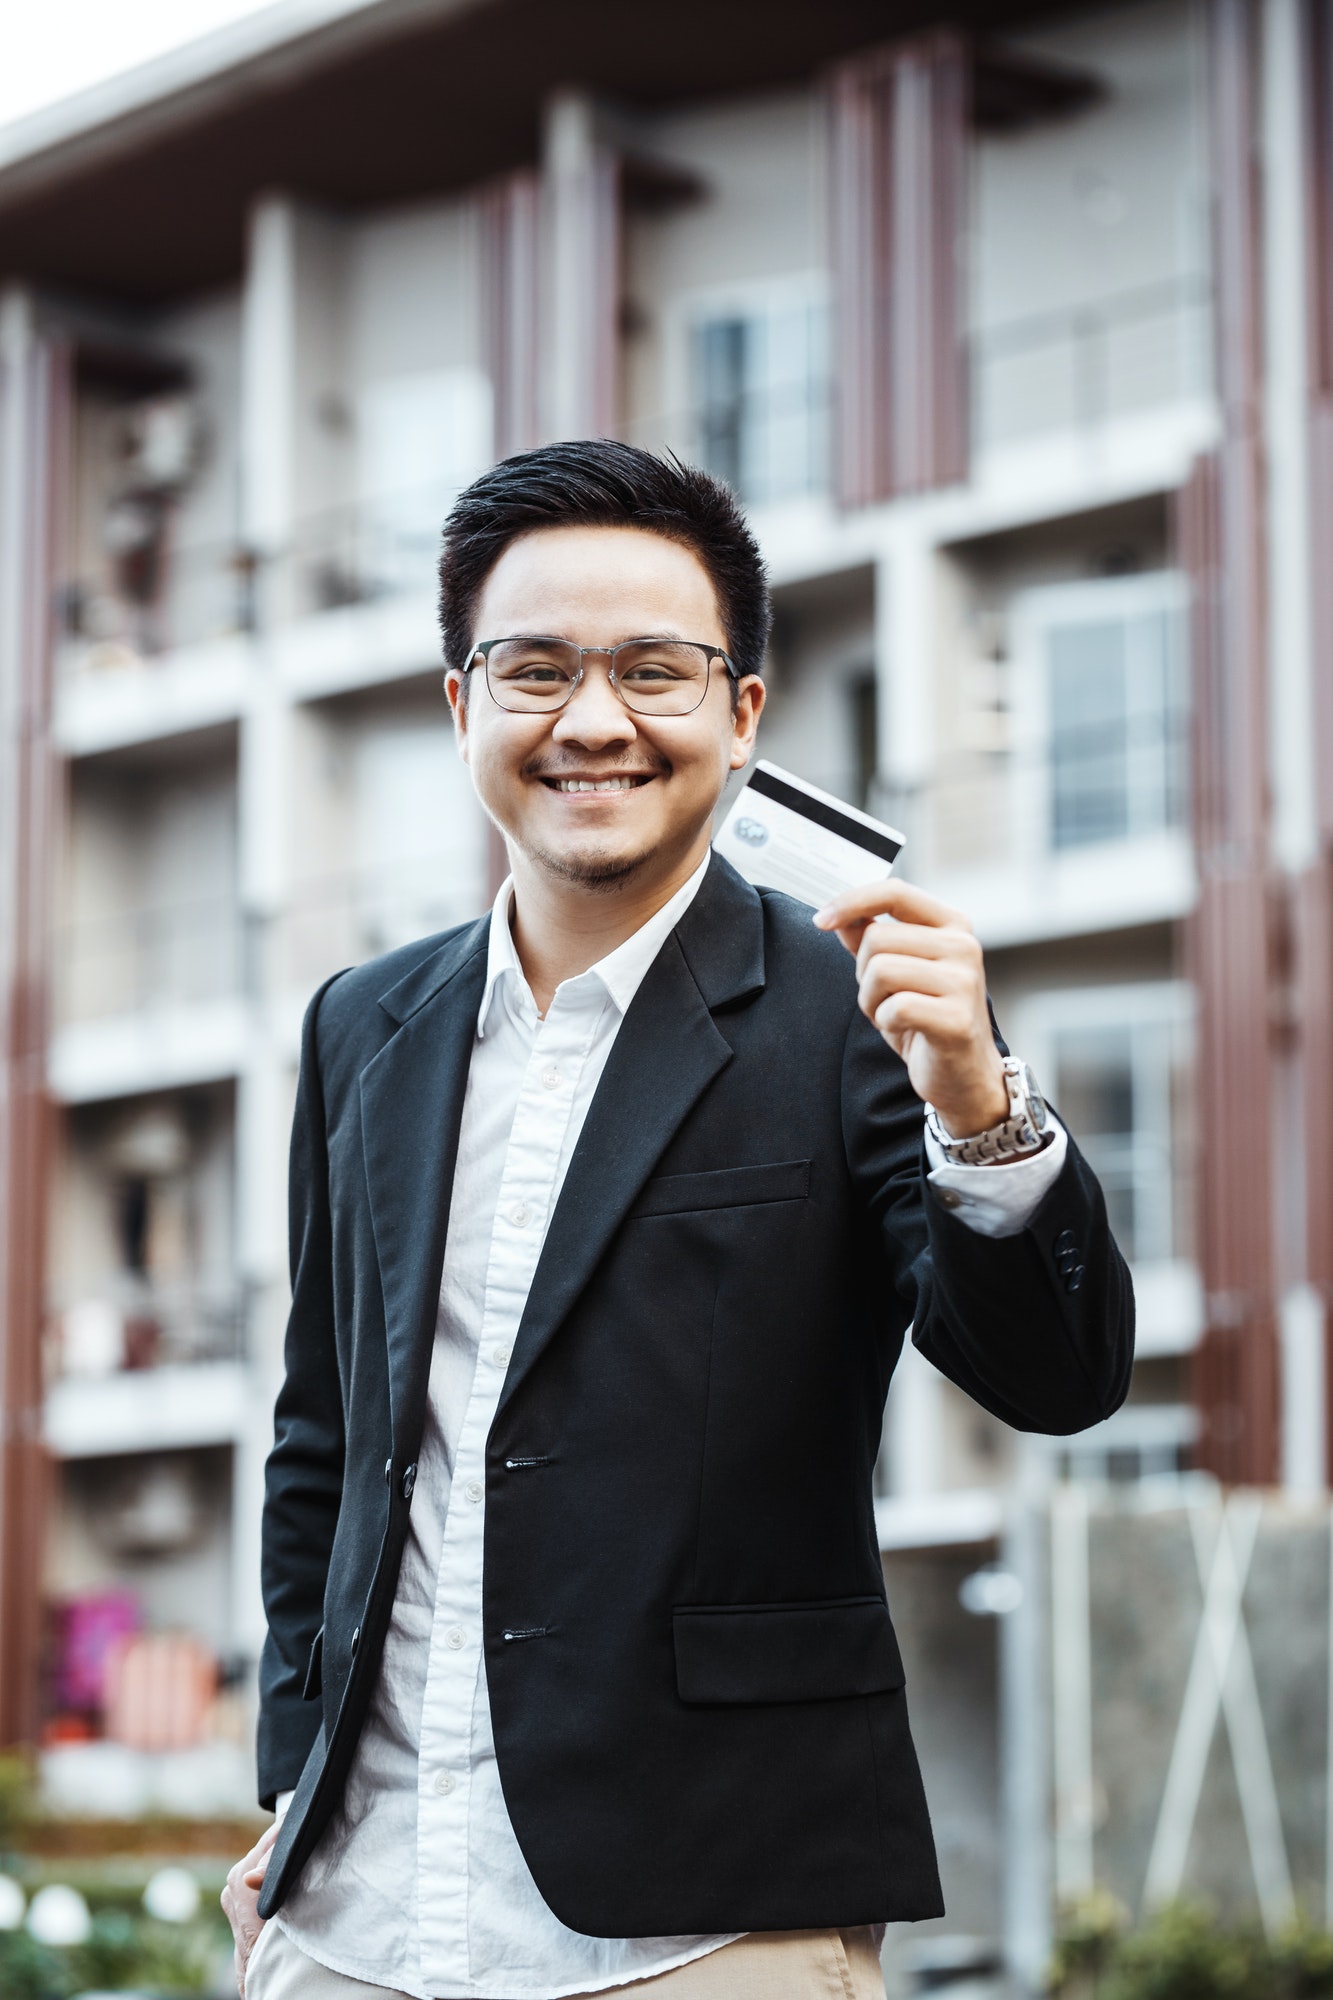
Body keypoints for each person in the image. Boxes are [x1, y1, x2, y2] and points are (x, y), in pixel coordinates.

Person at [224, 441, 1133, 2000]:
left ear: (739, 712)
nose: (592, 722)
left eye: (654, 670)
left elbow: (1057, 1382)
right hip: (356, 1917)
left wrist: (978, 1109)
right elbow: (327, 1437)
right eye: (534, 671)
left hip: (708, 1924)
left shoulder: (857, 1014)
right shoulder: (361, 1024)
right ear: (462, 706)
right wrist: (296, 1787)